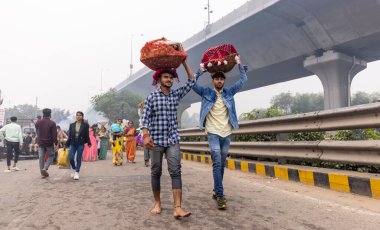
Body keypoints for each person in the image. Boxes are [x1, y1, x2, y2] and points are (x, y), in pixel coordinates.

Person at [141, 51, 199, 218]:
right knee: (156, 171)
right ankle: (157, 203)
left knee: (176, 171)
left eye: (171, 77)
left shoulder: (176, 94)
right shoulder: (151, 97)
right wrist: (146, 135)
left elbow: (192, 81)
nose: (169, 80)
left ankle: (178, 207)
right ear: (159, 80)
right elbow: (145, 118)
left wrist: (185, 62)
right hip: (156, 141)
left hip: (173, 139)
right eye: (166, 77)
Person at [192, 55, 247, 210]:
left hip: (226, 132)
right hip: (213, 133)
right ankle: (221, 196)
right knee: (217, 160)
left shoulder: (229, 93)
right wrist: (199, 71)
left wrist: (239, 64)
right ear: (213, 81)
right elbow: (191, 84)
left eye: (221, 79)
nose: (219, 81)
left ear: (224, 81)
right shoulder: (206, 93)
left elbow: (243, 81)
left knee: (221, 163)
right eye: (216, 79)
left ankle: (216, 190)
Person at [66, 111, 91, 180]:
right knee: (71, 158)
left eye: (80, 115)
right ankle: (74, 168)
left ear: (82, 116)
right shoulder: (72, 125)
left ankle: (77, 172)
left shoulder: (85, 125)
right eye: (77, 115)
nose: (78, 116)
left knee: (78, 158)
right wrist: (66, 144)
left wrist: (89, 143)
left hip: (80, 143)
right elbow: (69, 135)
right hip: (72, 143)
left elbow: (87, 135)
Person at [35, 108, 58, 178]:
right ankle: (45, 168)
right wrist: (56, 143)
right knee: (51, 155)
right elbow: (54, 135)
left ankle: (42, 173)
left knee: (41, 158)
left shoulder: (38, 122)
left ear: (43, 114)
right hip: (49, 143)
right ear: (50, 114)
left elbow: (37, 132)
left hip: (41, 143)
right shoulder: (52, 123)